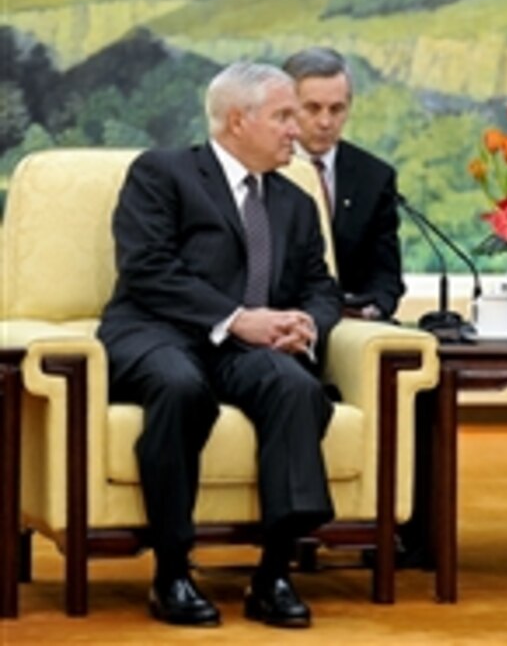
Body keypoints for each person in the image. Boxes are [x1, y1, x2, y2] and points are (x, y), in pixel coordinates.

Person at [97, 62, 342, 629]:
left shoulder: (295, 203)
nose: (297, 130)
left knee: (296, 388)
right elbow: (148, 269)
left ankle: (274, 572)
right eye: (284, 116)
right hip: (157, 332)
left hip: (245, 349)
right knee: (181, 387)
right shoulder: (163, 174)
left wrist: (304, 322)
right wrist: (236, 319)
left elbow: (322, 287)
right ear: (238, 120)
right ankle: (172, 570)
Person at [282, 47, 405, 320]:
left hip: (351, 324)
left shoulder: (374, 176)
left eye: (337, 109)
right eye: (312, 108)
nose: (325, 122)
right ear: (287, 108)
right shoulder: (266, 167)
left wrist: (374, 310)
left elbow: (385, 274)